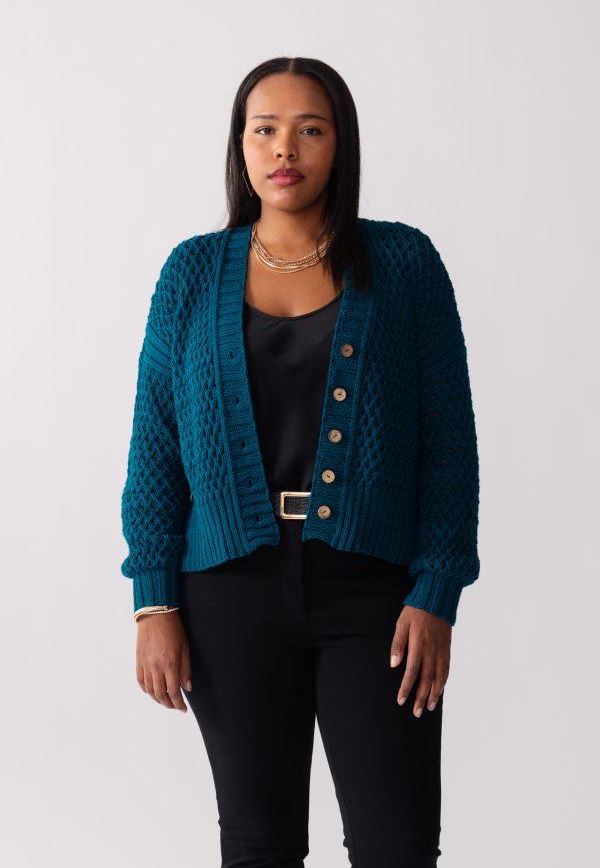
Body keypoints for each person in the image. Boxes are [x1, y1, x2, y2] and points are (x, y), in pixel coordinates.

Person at [120, 56, 480, 868]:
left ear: (340, 144)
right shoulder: (191, 273)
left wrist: (437, 590)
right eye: (266, 129)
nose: (286, 147)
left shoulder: (405, 264)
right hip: (228, 593)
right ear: (241, 146)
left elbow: (449, 443)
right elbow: (155, 448)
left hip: (376, 595)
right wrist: (153, 602)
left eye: (310, 129)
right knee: (259, 843)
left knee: (397, 846)